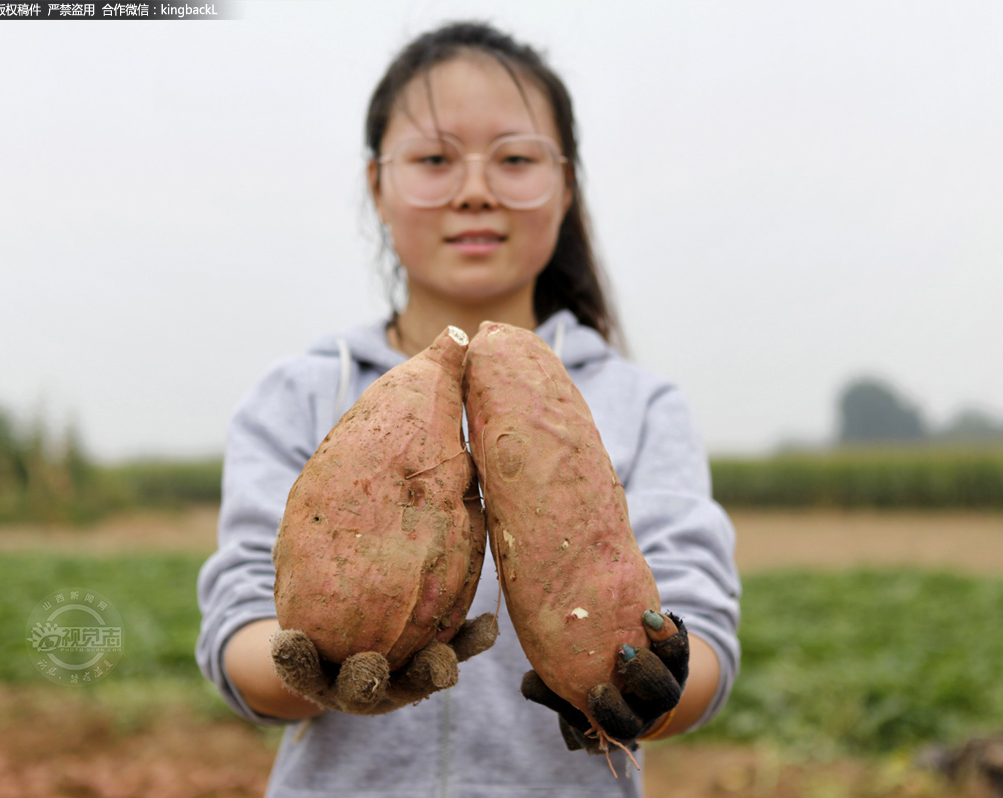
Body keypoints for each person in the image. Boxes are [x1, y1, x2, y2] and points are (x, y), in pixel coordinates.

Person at [196, 20, 741, 798]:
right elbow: (240, 634)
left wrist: (653, 690)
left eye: (516, 158)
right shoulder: (300, 393)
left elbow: (703, 638)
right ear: (377, 185)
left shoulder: (641, 404)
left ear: (566, 185)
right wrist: (313, 672)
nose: (475, 188)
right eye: (434, 158)